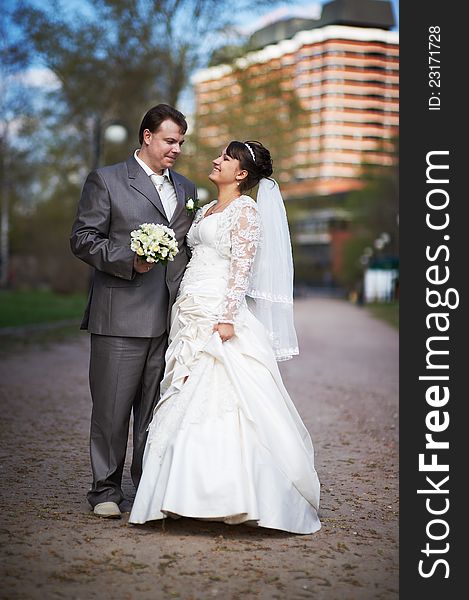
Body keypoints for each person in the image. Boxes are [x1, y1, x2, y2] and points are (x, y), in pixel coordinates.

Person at [129, 140, 321, 534]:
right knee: (183, 389)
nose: (216, 161)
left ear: (242, 174)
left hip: (218, 314)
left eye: (226, 159)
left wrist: (228, 316)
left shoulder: (245, 211)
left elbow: (242, 267)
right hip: (188, 309)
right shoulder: (203, 211)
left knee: (222, 394)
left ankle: (231, 496)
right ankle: (175, 497)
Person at [70, 104, 197, 518]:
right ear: (147, 137)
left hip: (170, 320)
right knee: (111, 410)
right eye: (169, 140)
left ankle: (146, 488)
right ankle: (105, 491)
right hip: (120, 314)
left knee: (154, 413)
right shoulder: (106, 180)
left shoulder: (188, 189)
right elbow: (83, 239)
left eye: (180, 141)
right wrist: (130, 257)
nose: (176, 148)